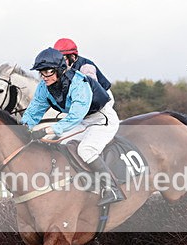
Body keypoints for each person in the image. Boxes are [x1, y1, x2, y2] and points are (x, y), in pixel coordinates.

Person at [22, 47, 125, 206]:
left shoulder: (78, 83)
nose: (44, 76)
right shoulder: (44, 88)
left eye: (48, 71)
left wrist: (47, 130)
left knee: (86, 149)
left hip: (102, 119)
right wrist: (22, 128)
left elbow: (75, 116)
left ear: (59, 69)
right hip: (83, 122)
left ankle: (111, 188)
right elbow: (34, 110)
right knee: (62, 144)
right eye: (41, 72)